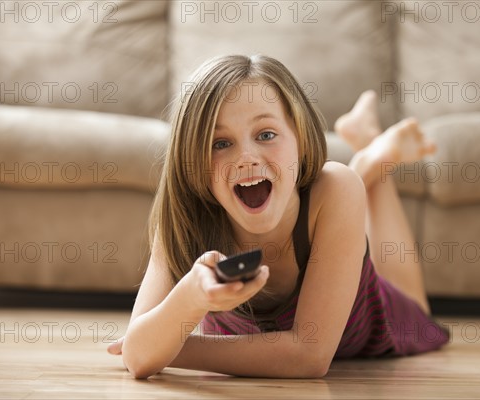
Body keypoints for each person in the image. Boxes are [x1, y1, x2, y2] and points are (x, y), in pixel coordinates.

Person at [107, 54, 449, 379]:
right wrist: (191, 297)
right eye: (219, 143)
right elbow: (138, 358)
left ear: (300, 138)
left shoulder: (337, 189)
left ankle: (374, 155)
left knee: (416, 306)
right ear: (191, 160)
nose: (247, 157)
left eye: (266, 135)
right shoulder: (184, 219)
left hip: (374, 320)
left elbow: (309, 357)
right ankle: (369, 154)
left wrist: (171, 348)